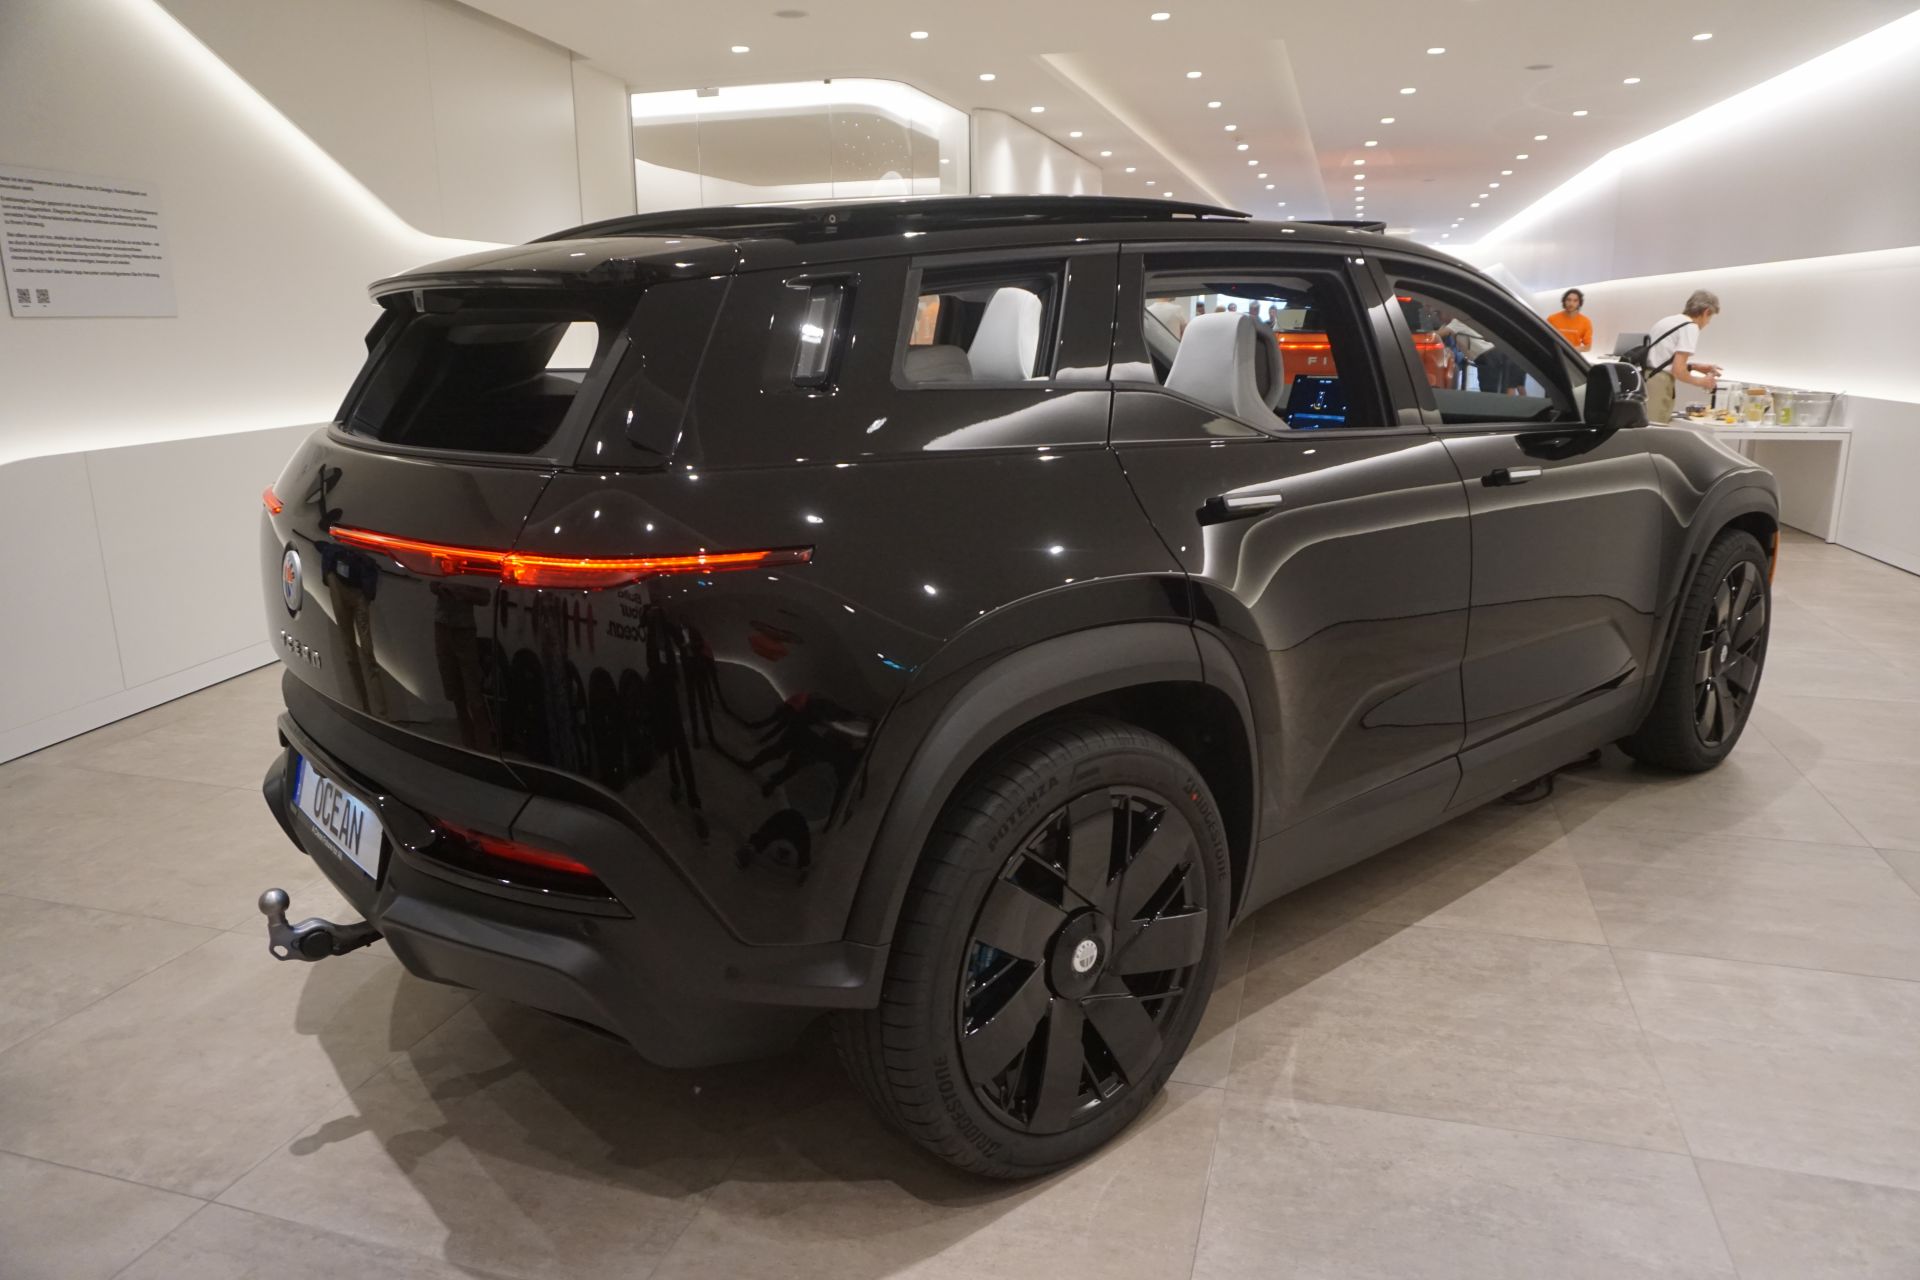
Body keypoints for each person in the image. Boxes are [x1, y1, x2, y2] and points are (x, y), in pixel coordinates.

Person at [1643, 290, 1723, 422]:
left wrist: (1694, 367)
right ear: (1706, 312)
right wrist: (1702, 382)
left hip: (1646, 380)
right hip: (1660, 384)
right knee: (1656, 429)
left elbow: (1660, 359)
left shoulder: (1667, 321)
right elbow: (1678, 371)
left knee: (1645, 427)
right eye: (1710, 318)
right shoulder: (1690, 327)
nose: (1708, 323)